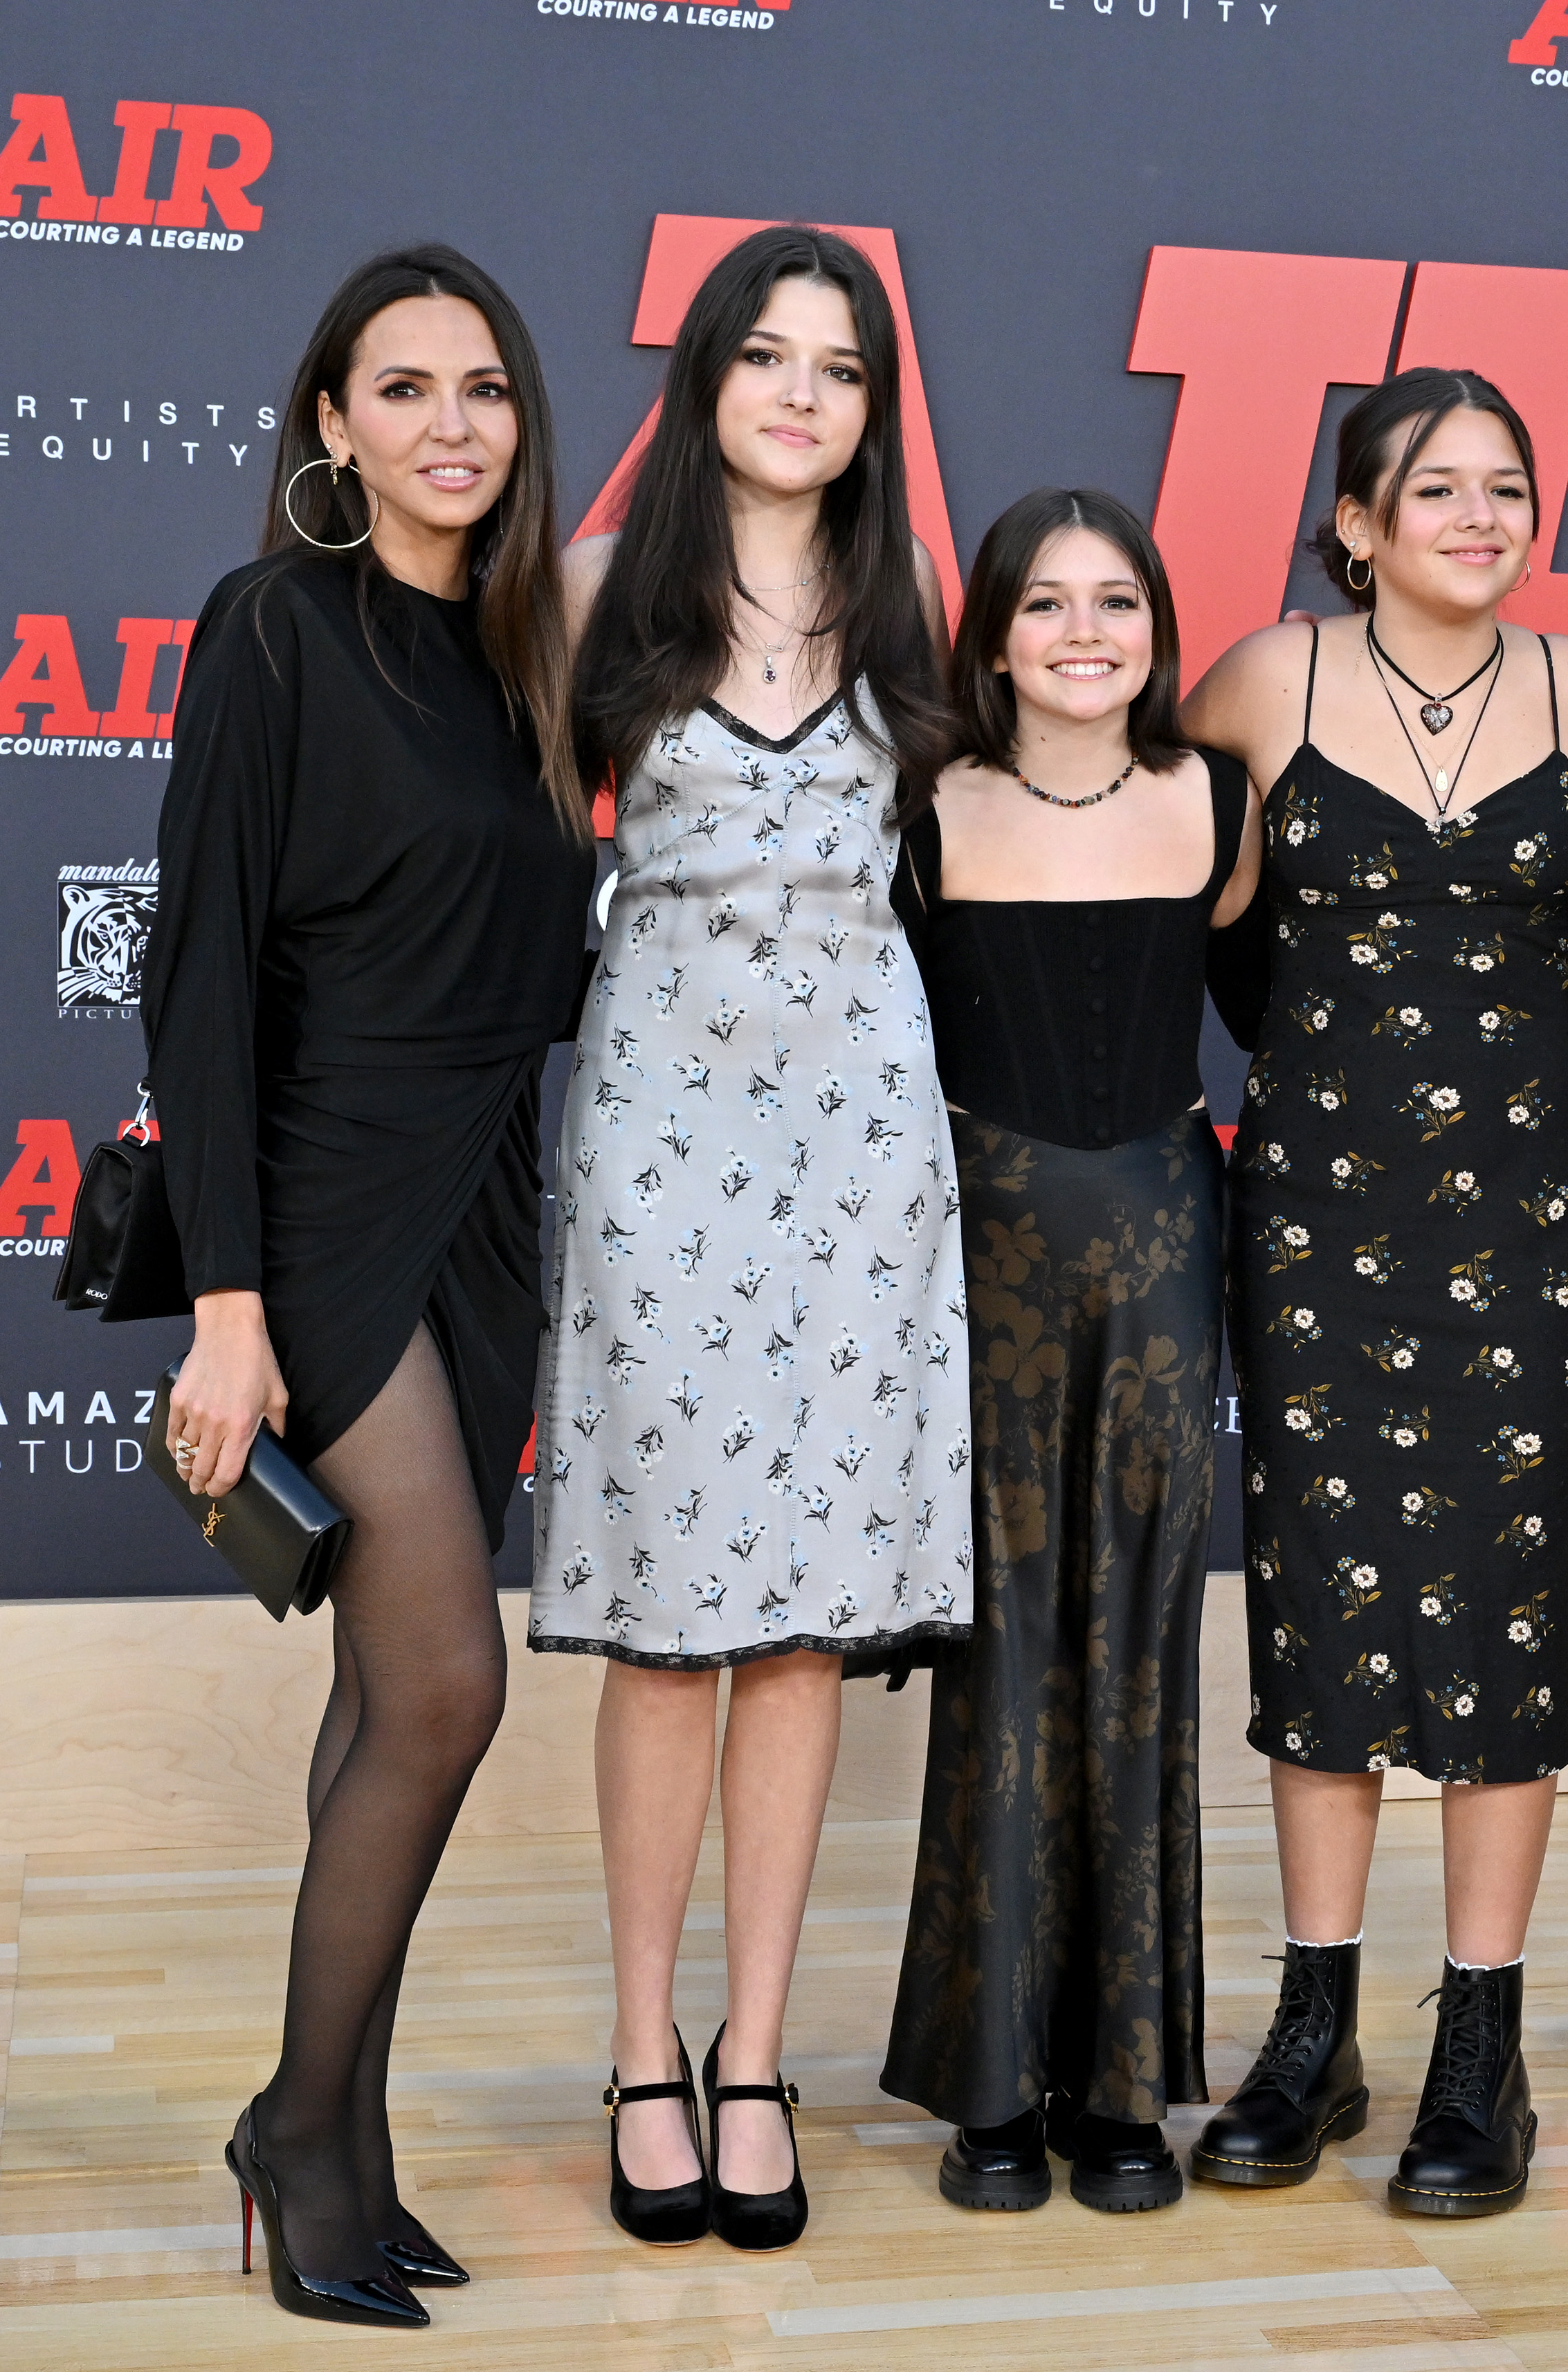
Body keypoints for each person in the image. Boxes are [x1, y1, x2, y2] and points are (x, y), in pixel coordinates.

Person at [143, 245, 590, 2328]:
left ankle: (349, 2129)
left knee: (371, 1705)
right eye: (400, 387)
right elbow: (200, 974)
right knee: (442, 1686)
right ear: (331, 424)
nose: (447, 424)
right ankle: (298, 2127)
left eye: (481, 388)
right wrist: (227, 1304)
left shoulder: (522, 662)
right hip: (325, 1203)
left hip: (490, 1196)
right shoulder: (274, 632)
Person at [527, 223, 972, 2257]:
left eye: (843, 366)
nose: (803, 393)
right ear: (704, 377)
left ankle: (761, 2050)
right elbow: (495, 860)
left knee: (801, 1614)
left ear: (878, 410)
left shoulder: (908, 603)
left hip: (867, 1135)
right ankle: (640, 2048)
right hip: (660, 1123)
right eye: (767, 355)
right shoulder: (601, 592)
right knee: (663, 1617)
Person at [1180, 370, 1568, 2218]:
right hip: (1320, 1224)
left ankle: (1482, 2044)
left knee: (1506, 1623)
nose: (1476, 514)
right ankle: (1315, 2026)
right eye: (1431, 488)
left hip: (1528, 1228)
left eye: (1505, 488)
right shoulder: (1258, 683)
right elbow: (1185, 932)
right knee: (1324, 1613)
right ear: (1352, 523)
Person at [874, 489, 1261, 2216]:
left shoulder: (1219, 802)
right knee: (1004, 1658)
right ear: (995, 635)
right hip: (982, 1259)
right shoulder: (923, 810)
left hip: (1172, 1253)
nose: (1086, 632)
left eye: (1118, 601)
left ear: (1160, 631)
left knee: (1143, 1659)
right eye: (1048, 603)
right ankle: (992, 2085)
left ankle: (1123, 2087)